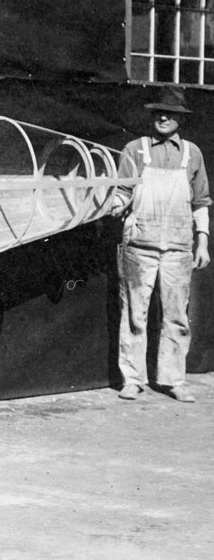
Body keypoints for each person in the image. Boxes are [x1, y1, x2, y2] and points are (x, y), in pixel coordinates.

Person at [112, 85, 210, 403]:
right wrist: (114, 203)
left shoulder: (192, 154)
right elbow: (123, 191)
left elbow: (200, 201)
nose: (164, 117)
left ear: (181, 119)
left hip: (179, 248)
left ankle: (173, 380)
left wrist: (203, 242)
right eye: (159, 112)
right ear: (152, 115)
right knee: (134, 315)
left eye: (171, 113)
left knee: (176, 316)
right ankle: (132, 379)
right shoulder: (135, 149)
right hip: (139, 246)